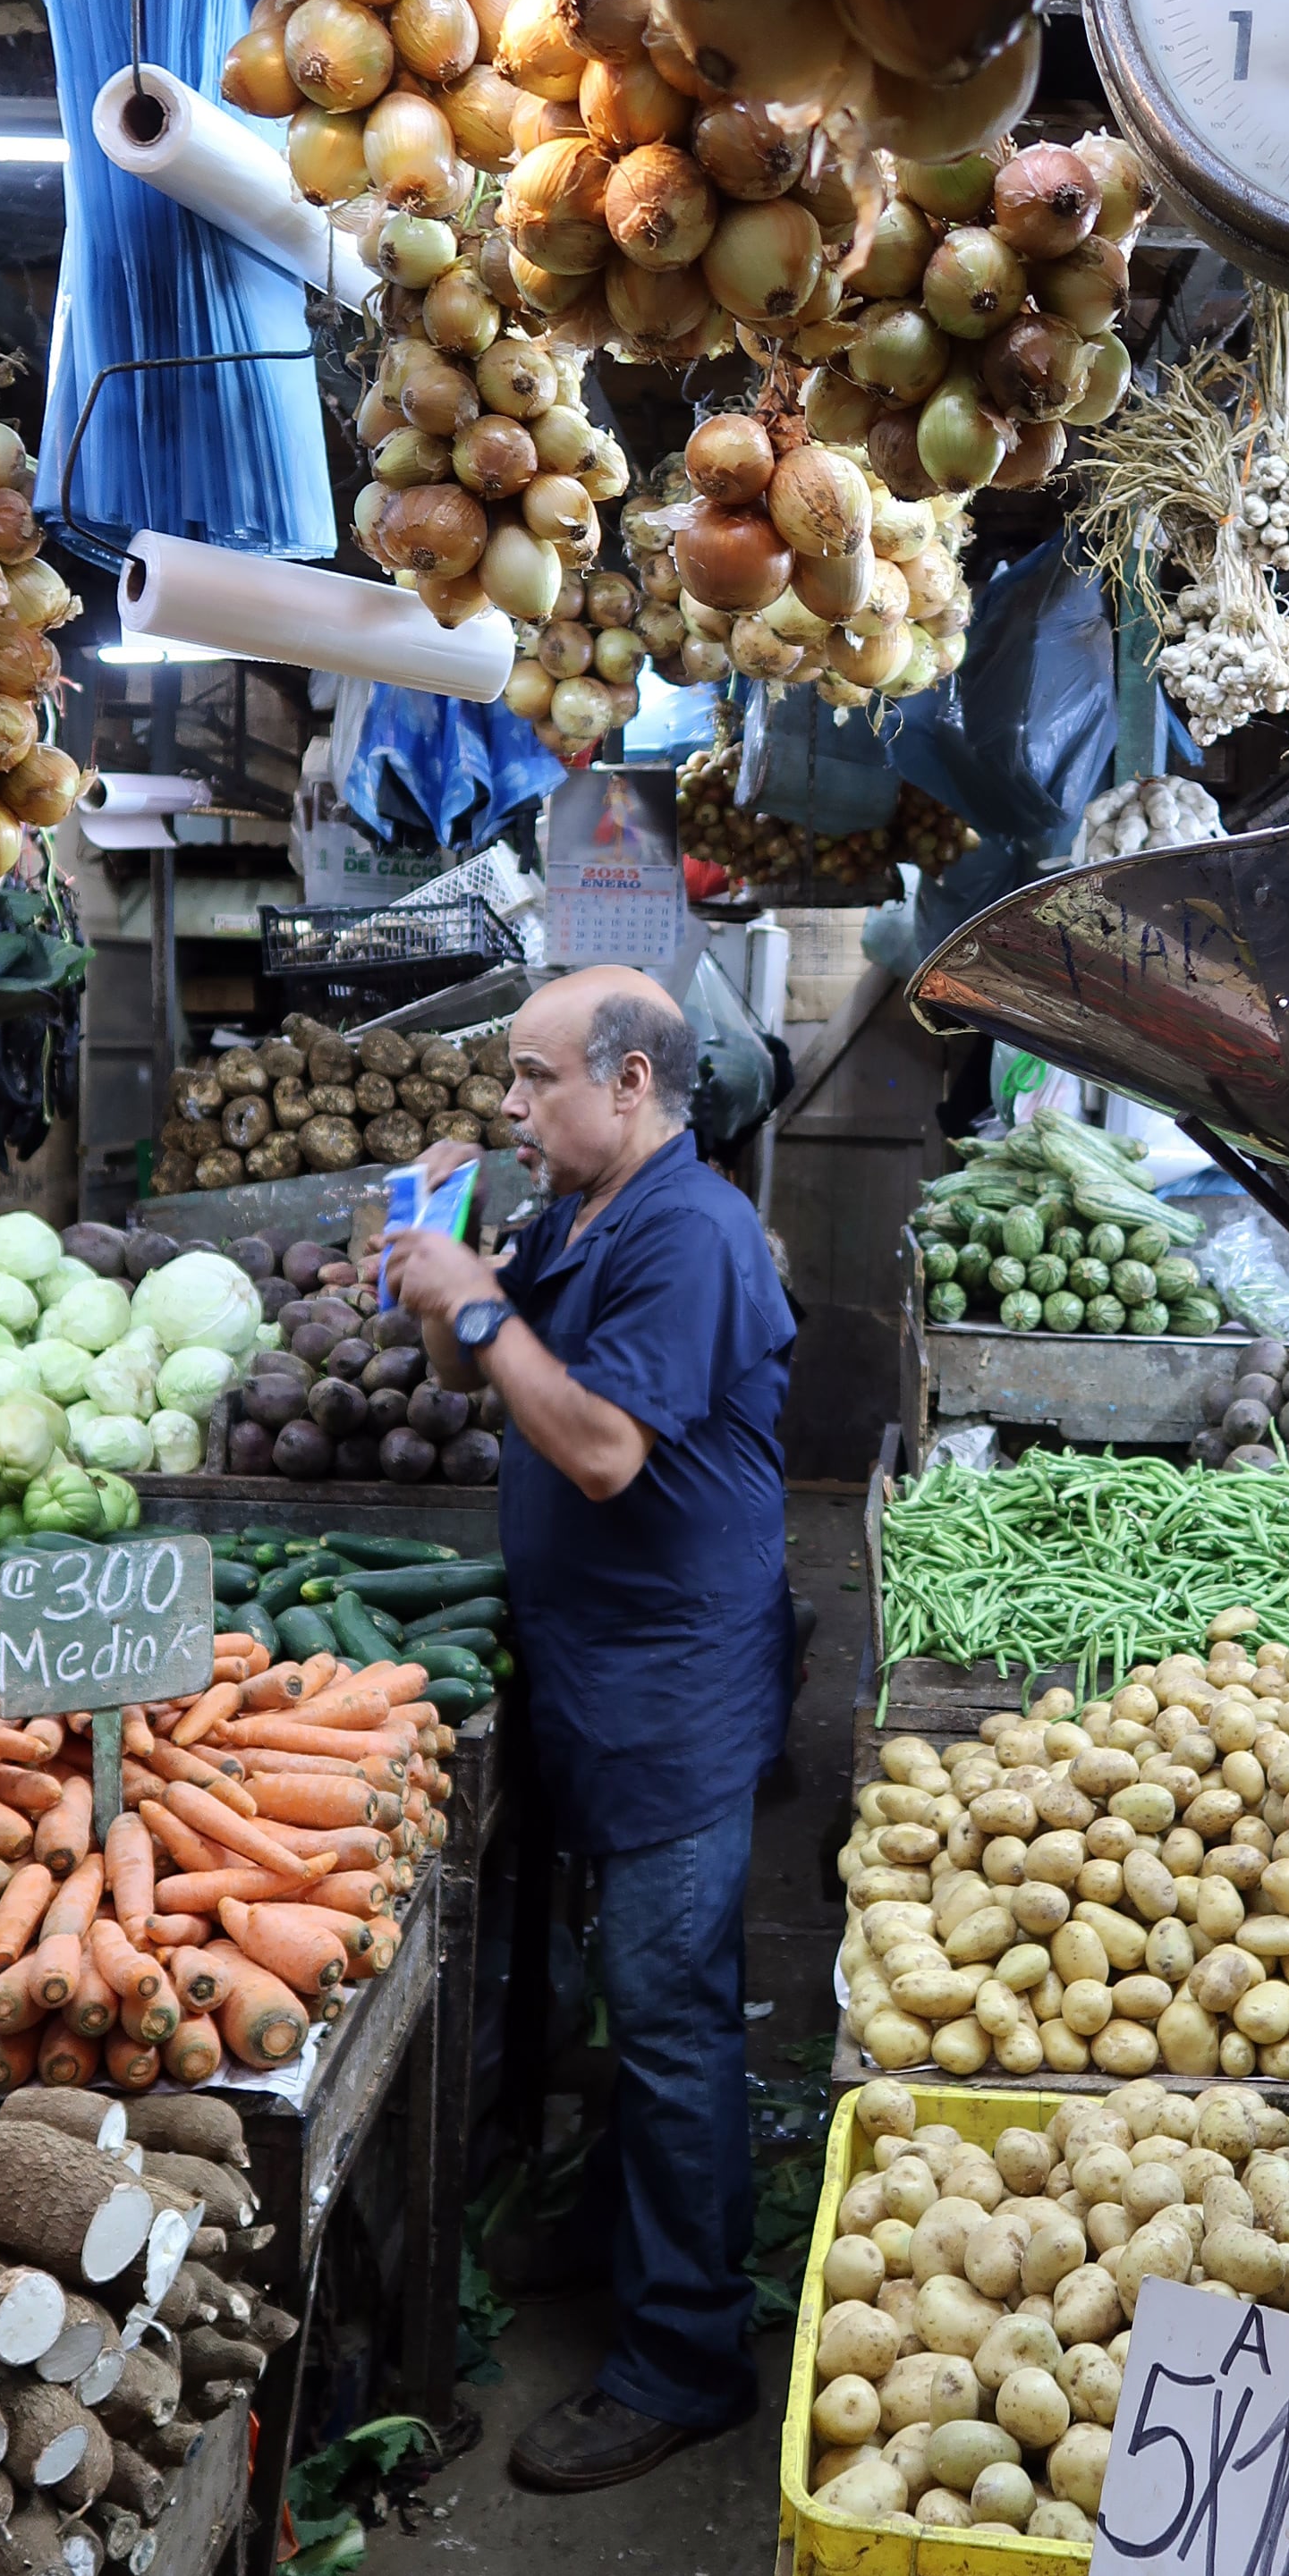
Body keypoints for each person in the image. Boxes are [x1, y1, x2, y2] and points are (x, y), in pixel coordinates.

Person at [377, 963, 797, 2491]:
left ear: (630, 1085)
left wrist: (478, 1303)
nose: (509, 1104)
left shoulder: (687, 1233)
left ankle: (686, 2356)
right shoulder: (579, 1217)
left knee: (673, 2013)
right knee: (623, 1982)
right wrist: (431, 1268)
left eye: (535, 1078)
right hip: (594, 1664)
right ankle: (627, 2229)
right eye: (510, 1078)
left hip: (673, 1682)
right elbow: (482, 1372)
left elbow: (607, 1448)